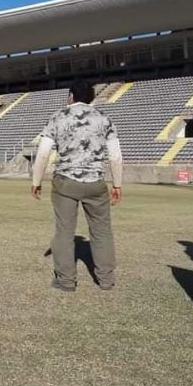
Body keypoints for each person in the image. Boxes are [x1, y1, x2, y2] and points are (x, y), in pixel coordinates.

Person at [31, 80, 123, 292]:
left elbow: (43, 153)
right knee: (102, 231)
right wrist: (116, 184)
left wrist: (36, 182)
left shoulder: (58, 117)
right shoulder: (104, 119)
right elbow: (115, 157)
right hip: (96, 183)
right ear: (91, 97)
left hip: (65, 182)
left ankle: (66, 280)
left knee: (64, 231)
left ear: (70, 95)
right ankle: (106, 279)